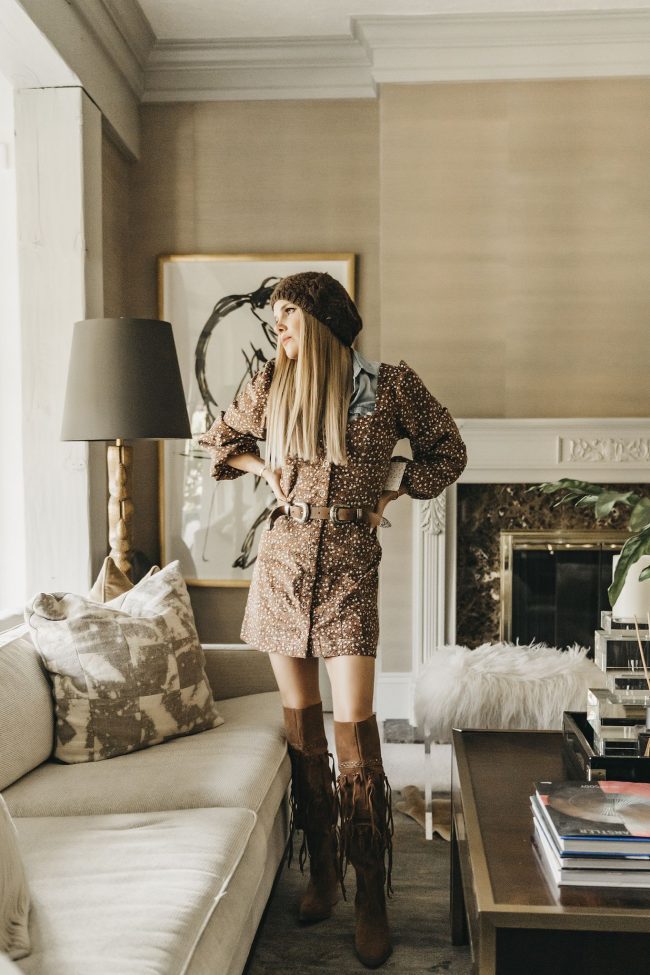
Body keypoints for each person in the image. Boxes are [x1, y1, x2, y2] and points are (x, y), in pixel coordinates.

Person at [198, 271, 468, 968]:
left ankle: (370, 891)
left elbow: (448, 450)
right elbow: (216, 443)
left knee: (356, 739)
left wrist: (391, 493)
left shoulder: (392, 385)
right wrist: (264, 469)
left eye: (288, 317)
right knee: (305, 735)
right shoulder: (271, 384)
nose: (279, 329)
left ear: (320, 324)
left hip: (351, 570)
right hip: (282, 567)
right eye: (277, 318)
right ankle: (322, 871)